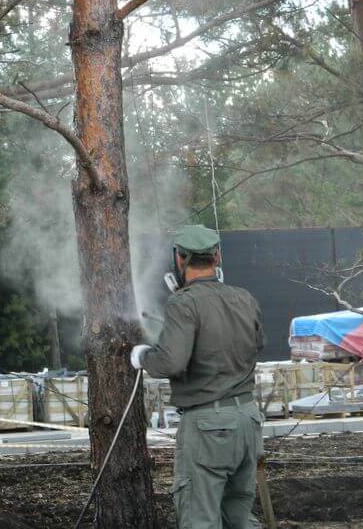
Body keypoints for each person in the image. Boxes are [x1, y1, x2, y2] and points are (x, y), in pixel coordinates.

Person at [130, 224, 265, 529]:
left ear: (179, 259)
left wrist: (144, 357)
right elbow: (257, 345)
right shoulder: (244, 297)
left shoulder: (183, 302)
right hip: (248, 420)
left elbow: (171, 362)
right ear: (217, 257)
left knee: (199, 518)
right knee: (238, 517)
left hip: (208, 426)